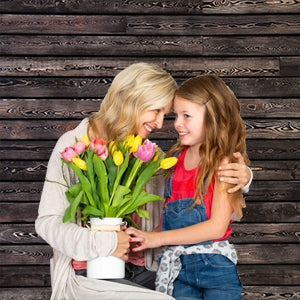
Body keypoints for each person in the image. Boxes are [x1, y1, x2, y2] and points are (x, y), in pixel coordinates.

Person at [35, 64, 251, 299]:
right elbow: (47, 223)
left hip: (148, 271)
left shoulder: (148, 154)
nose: (160, 124)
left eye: (165, 114)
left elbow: (195, 175)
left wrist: (244, 176)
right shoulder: (74, 144)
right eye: (157, 110)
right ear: (131, 99)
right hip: (91, 272)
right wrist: (104, 243)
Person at [126, 74, 250, 300]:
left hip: (214, 267)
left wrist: (157, 239)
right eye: (176, 115)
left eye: (187, 116)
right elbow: (170, 223)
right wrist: (144, 238)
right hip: (177, 270)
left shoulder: (222, 163)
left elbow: (216, 228)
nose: (176, 124)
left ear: (213, 118)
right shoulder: (174, 162)